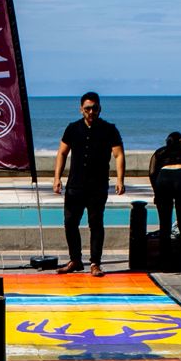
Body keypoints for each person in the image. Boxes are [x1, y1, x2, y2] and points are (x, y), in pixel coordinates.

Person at [52, 91, 125, 276]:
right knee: (70, 223)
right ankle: (75, 259)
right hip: (75, 185)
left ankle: (95, 263)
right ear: (81, 109)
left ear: (100, 108)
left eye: (94, 108)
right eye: (87, 109)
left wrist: (120, 179)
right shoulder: (72, 128)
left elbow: (118, 154)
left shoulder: (109, 129)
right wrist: (56, 178)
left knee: (96, 224)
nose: (91, 112)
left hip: (98, 186)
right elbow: (62, 153)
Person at [149, 131, 181, 273]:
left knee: (164, 224)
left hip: (163, 179)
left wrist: (157, 193)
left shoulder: (159, 152)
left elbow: (152, 173)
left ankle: (166, 265)